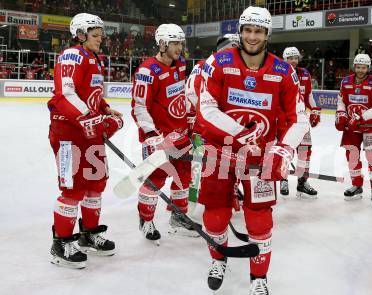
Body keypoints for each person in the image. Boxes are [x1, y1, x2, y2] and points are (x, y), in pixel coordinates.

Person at [197, 6, 309, 295]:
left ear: (267, 34)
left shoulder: (284, 71)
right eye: (247, 30)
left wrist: (283, 149)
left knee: (260, 221)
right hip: (220, 152)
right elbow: (206, 109)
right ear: (240, 31)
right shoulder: (219, 63)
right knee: (215, 215)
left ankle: (259, 278)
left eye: (258, 31)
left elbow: (299, 118)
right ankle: (218, 259)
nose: (252, 36)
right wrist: (240, 134)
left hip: (261, 156)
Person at [47, 13, 123, 269]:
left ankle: (88, 234)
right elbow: (65, 95)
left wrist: (105, 109)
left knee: (95, 184)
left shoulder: (93, 58)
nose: (101, 39)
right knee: (72, 189)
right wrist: (92, 118)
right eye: (95, 34)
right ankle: (61, 243)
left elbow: (92, 94)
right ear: (80, 34)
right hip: (68, 132)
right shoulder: (72, 55)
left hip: (89, 132)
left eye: (101, 34)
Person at [131, 24, 198, 244]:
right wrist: (151, 135)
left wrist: (189, 117)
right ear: (162, 44)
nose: (180, 47)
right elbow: (140, 107)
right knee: (155, 179)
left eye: (181, 43)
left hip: (181, 135)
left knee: (183, 178)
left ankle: (178, 217)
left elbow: (180, 95)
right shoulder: (147, 71)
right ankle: (146, 219)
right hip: (160, 138)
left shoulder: (179, 65)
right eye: (175, 43)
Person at [186, 33, 240, 203]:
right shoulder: (207, 66)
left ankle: (229, 192)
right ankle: (193, 200)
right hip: (204, 126)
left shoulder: (232, 68)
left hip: (223, 127)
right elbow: (193, 95)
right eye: (234, 48)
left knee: (228, 164)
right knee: (199, 164)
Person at [335, 53, 372, 203]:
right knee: (352, 157)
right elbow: (341, 101)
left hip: (370, 126)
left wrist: (360, 117)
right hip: (351, 128)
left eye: (364, 67)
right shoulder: (345, 81)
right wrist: (341, 114)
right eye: (358, 67)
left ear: (368, 68)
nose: (361, 70)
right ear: (354, 67)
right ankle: (357, 185)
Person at [280, 46, 321, 198]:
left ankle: (302, 182)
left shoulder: (304, 74)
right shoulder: (279, 72)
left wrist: (315, 109)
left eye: (295, 57)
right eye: (290, 58)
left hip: (301, 120)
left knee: (305, 151)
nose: (293, 61)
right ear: (284, 59)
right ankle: (282, 179)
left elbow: (308, 94)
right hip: (285, 121)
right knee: (285, 151)